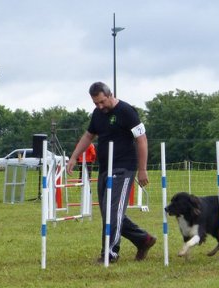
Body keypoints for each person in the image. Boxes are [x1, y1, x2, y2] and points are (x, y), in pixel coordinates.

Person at [66, 82, 156, 263]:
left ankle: (110, 253)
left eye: (102, 102)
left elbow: (142, 139)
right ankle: (143, 239)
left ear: (110, 95)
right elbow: (88, 136)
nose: (100, 106)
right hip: (105, 168)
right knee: (109, 214)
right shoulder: (98, 114)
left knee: (113, 213)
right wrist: (74, 157)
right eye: (95, 103)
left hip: (124, 167)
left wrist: (142, 169)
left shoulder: (127, 111)